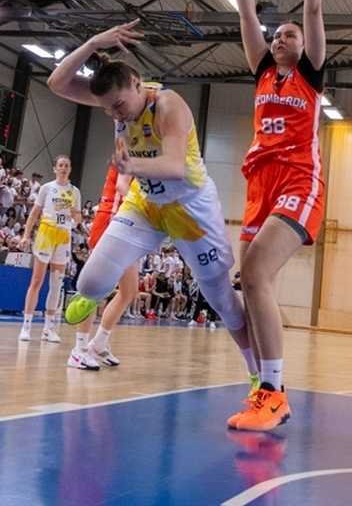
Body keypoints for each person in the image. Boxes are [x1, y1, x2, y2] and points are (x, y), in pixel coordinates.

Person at [46, 22, 258, 390]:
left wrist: (131, 167)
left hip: (190, 208)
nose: (115, 115)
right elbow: (57, 83)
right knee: (89, 282)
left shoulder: (168, 104)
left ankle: (259, 373)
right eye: (108, 110)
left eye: (118, 106)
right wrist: (94, 42)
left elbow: (175, 166)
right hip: (145, 204)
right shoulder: (117, 101)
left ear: (137, 83)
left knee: (221, 298)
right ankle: (93, 298)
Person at [225, 0, 326, 431]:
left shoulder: (310, 75)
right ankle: (265, 387)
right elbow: (245, 12)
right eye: (278, 34)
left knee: (256, 273)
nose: (282, 37)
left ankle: (273, 392)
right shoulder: (264, 71)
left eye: (290, 34)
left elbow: (313, 8)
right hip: (258, 185)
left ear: (304, 46)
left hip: (299, 181)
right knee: (248, 286)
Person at [67, 163, 138, 371]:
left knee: (129, 290)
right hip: (112, 220)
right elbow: (122, 186)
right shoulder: (130, 152)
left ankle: (99, 343)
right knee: (94, 290)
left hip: (132, 225)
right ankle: (78, 350)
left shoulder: (150, 158)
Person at [19, 155, 82, 343]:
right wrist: (25, 235)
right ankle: (26, 326)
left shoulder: (75, 192)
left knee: (57, 284)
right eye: (60, 165)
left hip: (63, 237)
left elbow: (78, 219)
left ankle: (49, 328)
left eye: (66, 165)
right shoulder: (46, 188)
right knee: (37, 280)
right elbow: (34, 213)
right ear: (55, 169)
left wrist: (73, 215)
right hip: (46, 234)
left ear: (70, 169)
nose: (63, 168)